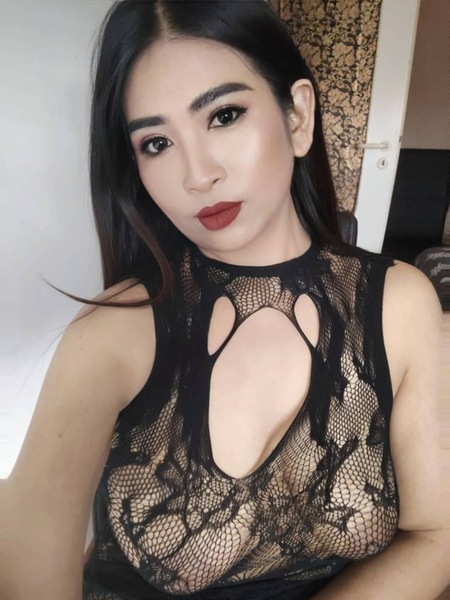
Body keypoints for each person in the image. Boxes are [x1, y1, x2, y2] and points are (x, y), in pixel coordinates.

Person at [1, 1, 448, 599]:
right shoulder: (113, 335)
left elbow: (435, 534)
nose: (197, 175)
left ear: (297, 117)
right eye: (157, 143)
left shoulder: (401, 304)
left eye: (224, 115)